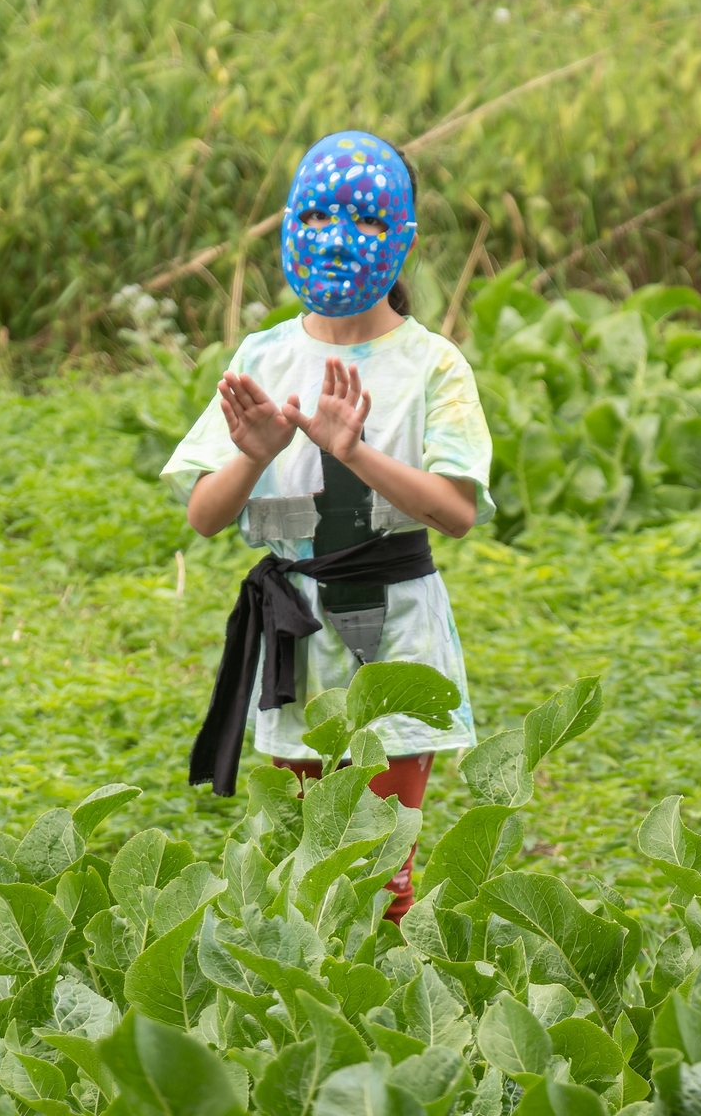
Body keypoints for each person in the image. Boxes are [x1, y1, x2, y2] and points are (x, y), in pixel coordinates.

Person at [162, 131, 493, 921]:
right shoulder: (263, 355)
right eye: (314, 216)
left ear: (403, 236)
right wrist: (255, 455)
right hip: (296, 640)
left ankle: (399, 994)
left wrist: (356, 453)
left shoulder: (433, 364)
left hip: (398, 636)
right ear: (287, 224)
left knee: (384, 873)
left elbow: (455, 513)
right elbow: (205, 516)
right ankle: (310, 998)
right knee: (304, 866)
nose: (336, 238)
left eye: (365, 220)